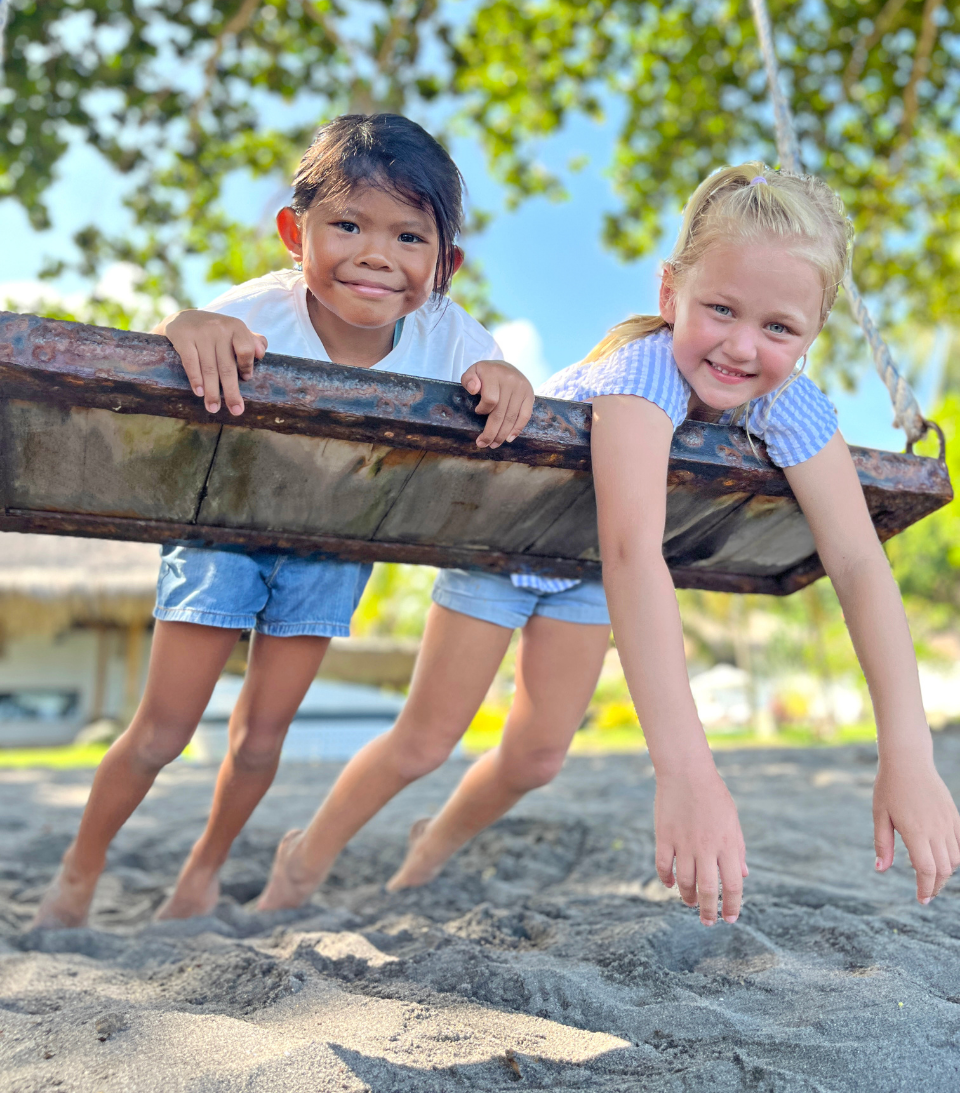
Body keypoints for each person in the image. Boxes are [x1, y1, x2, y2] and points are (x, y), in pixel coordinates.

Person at [256, 163, 960, 927]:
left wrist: (909, 752)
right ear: (669, 295)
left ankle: (432, 843)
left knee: (535, 759)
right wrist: (687, 773)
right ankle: (305, 857)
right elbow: (636, 554)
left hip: (584, 573)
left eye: (779, 328)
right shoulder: (640, 375)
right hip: (510, 547)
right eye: (719, 309)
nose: (741, 346)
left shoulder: (789, 401)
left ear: (811, 335)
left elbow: (857, 561)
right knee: (425, 743)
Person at [32, 113, 534, 929]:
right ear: (294, 234)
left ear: (446, 265)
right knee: (161, 732)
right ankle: (79, 872)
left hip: (332, 547)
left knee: (262, 739)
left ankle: (203, 870)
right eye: (347, 225)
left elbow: (501, 377)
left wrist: (502, 378)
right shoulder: (266, 307)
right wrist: (190, 327)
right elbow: (185, 333)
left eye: (410, 237)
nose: (376, 254)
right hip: (226, 528)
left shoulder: (447, 332)